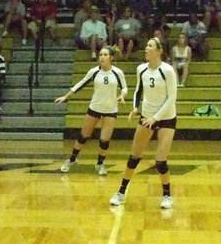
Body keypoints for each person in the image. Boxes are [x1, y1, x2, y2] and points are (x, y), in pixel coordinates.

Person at [109, 38, 177, 210]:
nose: (146, 48)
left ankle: (167, 195)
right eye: (146, 45)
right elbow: (139, 90)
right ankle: (121, 192)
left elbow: (172, 98)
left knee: (160, 161)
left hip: (166, 118)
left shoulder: (167, 70)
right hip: (146, 116)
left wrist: (156, 117)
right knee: (134, 157)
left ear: (159, 51)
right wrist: (135, 108)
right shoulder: (141, 69)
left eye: (150, 46)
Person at [55, 46, 127, 176]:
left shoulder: (118, 72)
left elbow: (124, 88)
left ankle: (100, 164)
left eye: (105, 55)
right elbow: (80, 84)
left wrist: (122, 95)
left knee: (104, 140)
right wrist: (66, 96)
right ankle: (72, 160)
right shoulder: (94, 72)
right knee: (83, 136)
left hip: (110, 110)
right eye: (100, 55)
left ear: (111, 57)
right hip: (95, 108)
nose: (102, 57)